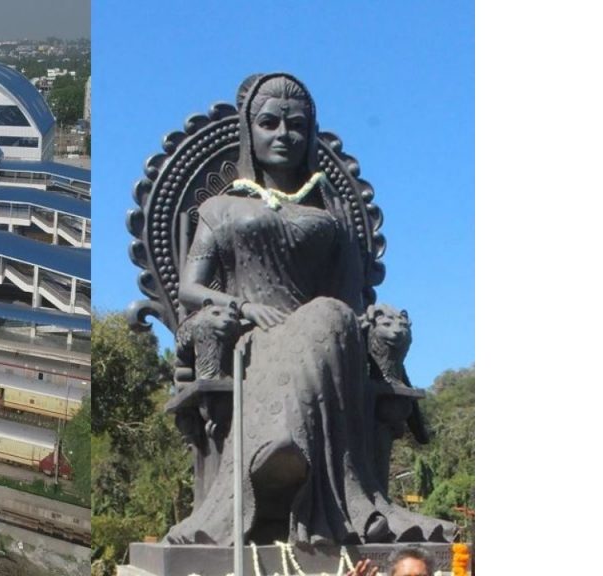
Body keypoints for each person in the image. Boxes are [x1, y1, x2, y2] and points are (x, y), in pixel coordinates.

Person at [165, 73, 454, 546]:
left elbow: (350, 303)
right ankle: (272, 458)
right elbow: (192, 290)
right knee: (324, 321)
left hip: (326, 334)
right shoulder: (220, 209)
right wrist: (243, 306)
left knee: (328, 317)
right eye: (270, 123)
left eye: (296, 124)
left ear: (310, 134)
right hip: (253, 338)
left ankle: (316, 485)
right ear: (249, 132)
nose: (283, 134)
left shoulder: (332, 218)